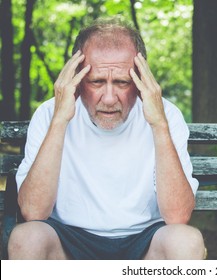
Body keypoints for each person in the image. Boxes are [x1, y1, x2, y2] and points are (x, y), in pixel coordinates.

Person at [8, 17, 205, 260]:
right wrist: (60, 120)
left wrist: (159, 125)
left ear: (140, 79)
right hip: (68, 240)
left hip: (144, 242)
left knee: (186, 240)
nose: (109, 98)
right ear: (77, 80)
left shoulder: (167, 115)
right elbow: (32, 211)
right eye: (97, 81)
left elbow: (178, 216)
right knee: (26, 238)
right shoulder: (50, 113)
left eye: (122, 82)